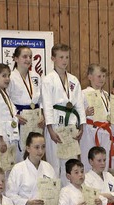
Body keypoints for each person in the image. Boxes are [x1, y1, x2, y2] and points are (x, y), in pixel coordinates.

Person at [41, 44, 86, 183]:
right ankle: (55, 199)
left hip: (71, 125)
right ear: (52, 58)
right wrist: (50, 129)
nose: (64, 60)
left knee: (71, 164)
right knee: (55, 165)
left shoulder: (73, 80)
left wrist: (81, 126)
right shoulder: (48, 79)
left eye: (67, 57)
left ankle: (69, 197)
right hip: (55, 125)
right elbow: (47, 105)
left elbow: (79, 104)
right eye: (61, 57)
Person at [8, 45, 44, 157]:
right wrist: (14, 115)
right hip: (21, 118)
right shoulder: (10, 77)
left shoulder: (36, 76)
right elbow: (6, 100)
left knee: (36, 151)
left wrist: (43, 114)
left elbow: (42, 98)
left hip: (35, 119)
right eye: (24, 56)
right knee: (21, 152)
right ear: (16, 58)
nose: (28, 59)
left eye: (30, 57)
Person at [80, 64, 111, 172]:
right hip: (90, 131)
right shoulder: (83, 93)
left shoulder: (106, 95)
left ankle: (102, 186)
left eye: (104, 76)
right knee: (88, 161)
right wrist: (84, 113)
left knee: (103, 164)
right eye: (99, 76)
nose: (102, 79)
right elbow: (75, 115)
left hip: (105, 131)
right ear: (90, 77)